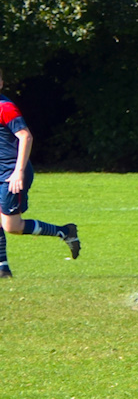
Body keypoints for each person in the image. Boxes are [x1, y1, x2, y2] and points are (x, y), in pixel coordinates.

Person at [0, 69, 81, 278]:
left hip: (11, 173)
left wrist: (18, 171)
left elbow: (25, 137)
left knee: (12, 226)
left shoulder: (5, 107)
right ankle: (3, 269)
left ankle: (65, 232)